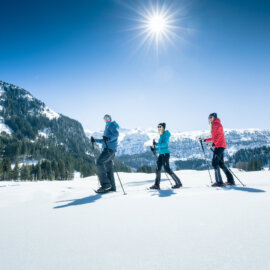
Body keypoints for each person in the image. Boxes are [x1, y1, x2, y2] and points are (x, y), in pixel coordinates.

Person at [202, 113, 235, 187]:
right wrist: (205, 140)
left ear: (214, 117)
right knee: (220, 163)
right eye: (208, 117)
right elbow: (214, 138)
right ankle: (230, 180)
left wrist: (214, 144)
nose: (209, 118)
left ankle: (219, 182)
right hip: (219, 145)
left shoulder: (216, 124)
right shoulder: (214, 124)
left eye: (211, 117)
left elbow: (219, 136)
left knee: (214, 163)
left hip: (219, 146)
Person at [91, 114, 119, 193]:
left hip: (109, 150)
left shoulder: (111, 125)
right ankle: (112, 187)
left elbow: (116, 135)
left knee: (99, 163)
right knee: (109, 167)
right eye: (104, 118)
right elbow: (104, 140)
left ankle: (106, 184)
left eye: (107, 118)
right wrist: (95, 140)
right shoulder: (107, 127)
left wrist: (109, 138)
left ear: (110, 118)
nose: (106, 119)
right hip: (111, 149)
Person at [149, 123, 182, 189]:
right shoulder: (161, 135)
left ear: (163, 127)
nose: (159, 128)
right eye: (158, 126)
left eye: (160, 126)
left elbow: (164, 144)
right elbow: (161, 147)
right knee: (158, 169)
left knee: (167, 169)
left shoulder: (166, 134)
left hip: (165, 154)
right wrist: (155, 149)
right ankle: (156, 185)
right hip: (161, 154)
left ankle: (178, 183)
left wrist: (157, 144)